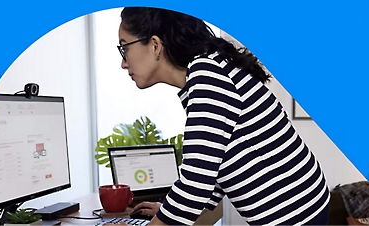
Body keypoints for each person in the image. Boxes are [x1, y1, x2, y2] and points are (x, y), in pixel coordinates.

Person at [110, 7, 331, 225]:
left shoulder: (208, 78)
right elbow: (214, 163)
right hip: (305, 206)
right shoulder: (207, 70)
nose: (123, 63)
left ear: (155, 45)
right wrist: (166, 212)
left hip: (296, 214)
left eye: (124, 48)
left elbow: (195, 185)